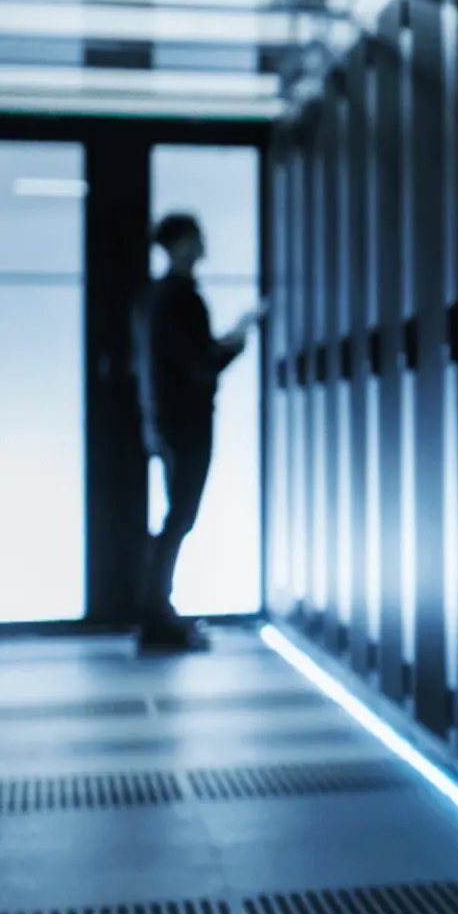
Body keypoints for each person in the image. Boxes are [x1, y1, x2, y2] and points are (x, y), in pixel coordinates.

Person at [137, 213, 265, 653]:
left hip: (173, 419)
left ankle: (158, 612)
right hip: (186, 421)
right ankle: (157, 616)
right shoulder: (179, 298)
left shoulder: (163, 297)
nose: (202, 242)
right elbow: (200, 365)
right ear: (178, 244)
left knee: (178, 517)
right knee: (180, 518)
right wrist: (237, 341)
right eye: (195, 237)